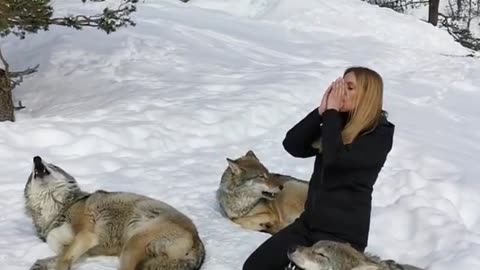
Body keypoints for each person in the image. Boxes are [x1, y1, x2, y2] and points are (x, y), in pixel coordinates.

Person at [242, 66, 395, 270]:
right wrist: (321, 111)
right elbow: (293, 146)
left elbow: (336, 161)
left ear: (367, 95)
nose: (340, 92)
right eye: (340, 85)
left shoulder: (379, 134)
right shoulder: (339, 121)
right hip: (308, 225)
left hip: (341, 238)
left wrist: (332, 114)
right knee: (255, 267)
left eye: (349, 87)